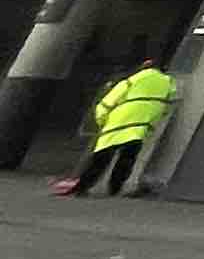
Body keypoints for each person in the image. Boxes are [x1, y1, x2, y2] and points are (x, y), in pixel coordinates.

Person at [59, 51, 179, 198]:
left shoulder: (131, 80)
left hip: (116, 125)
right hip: (140, 127)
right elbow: (167, 106)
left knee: (100, 159)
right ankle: (114, 188)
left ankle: (83, 187)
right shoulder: (168, 83)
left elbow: (107, 102)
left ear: (145, 65)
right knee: (126, 160)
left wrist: (101, 120)